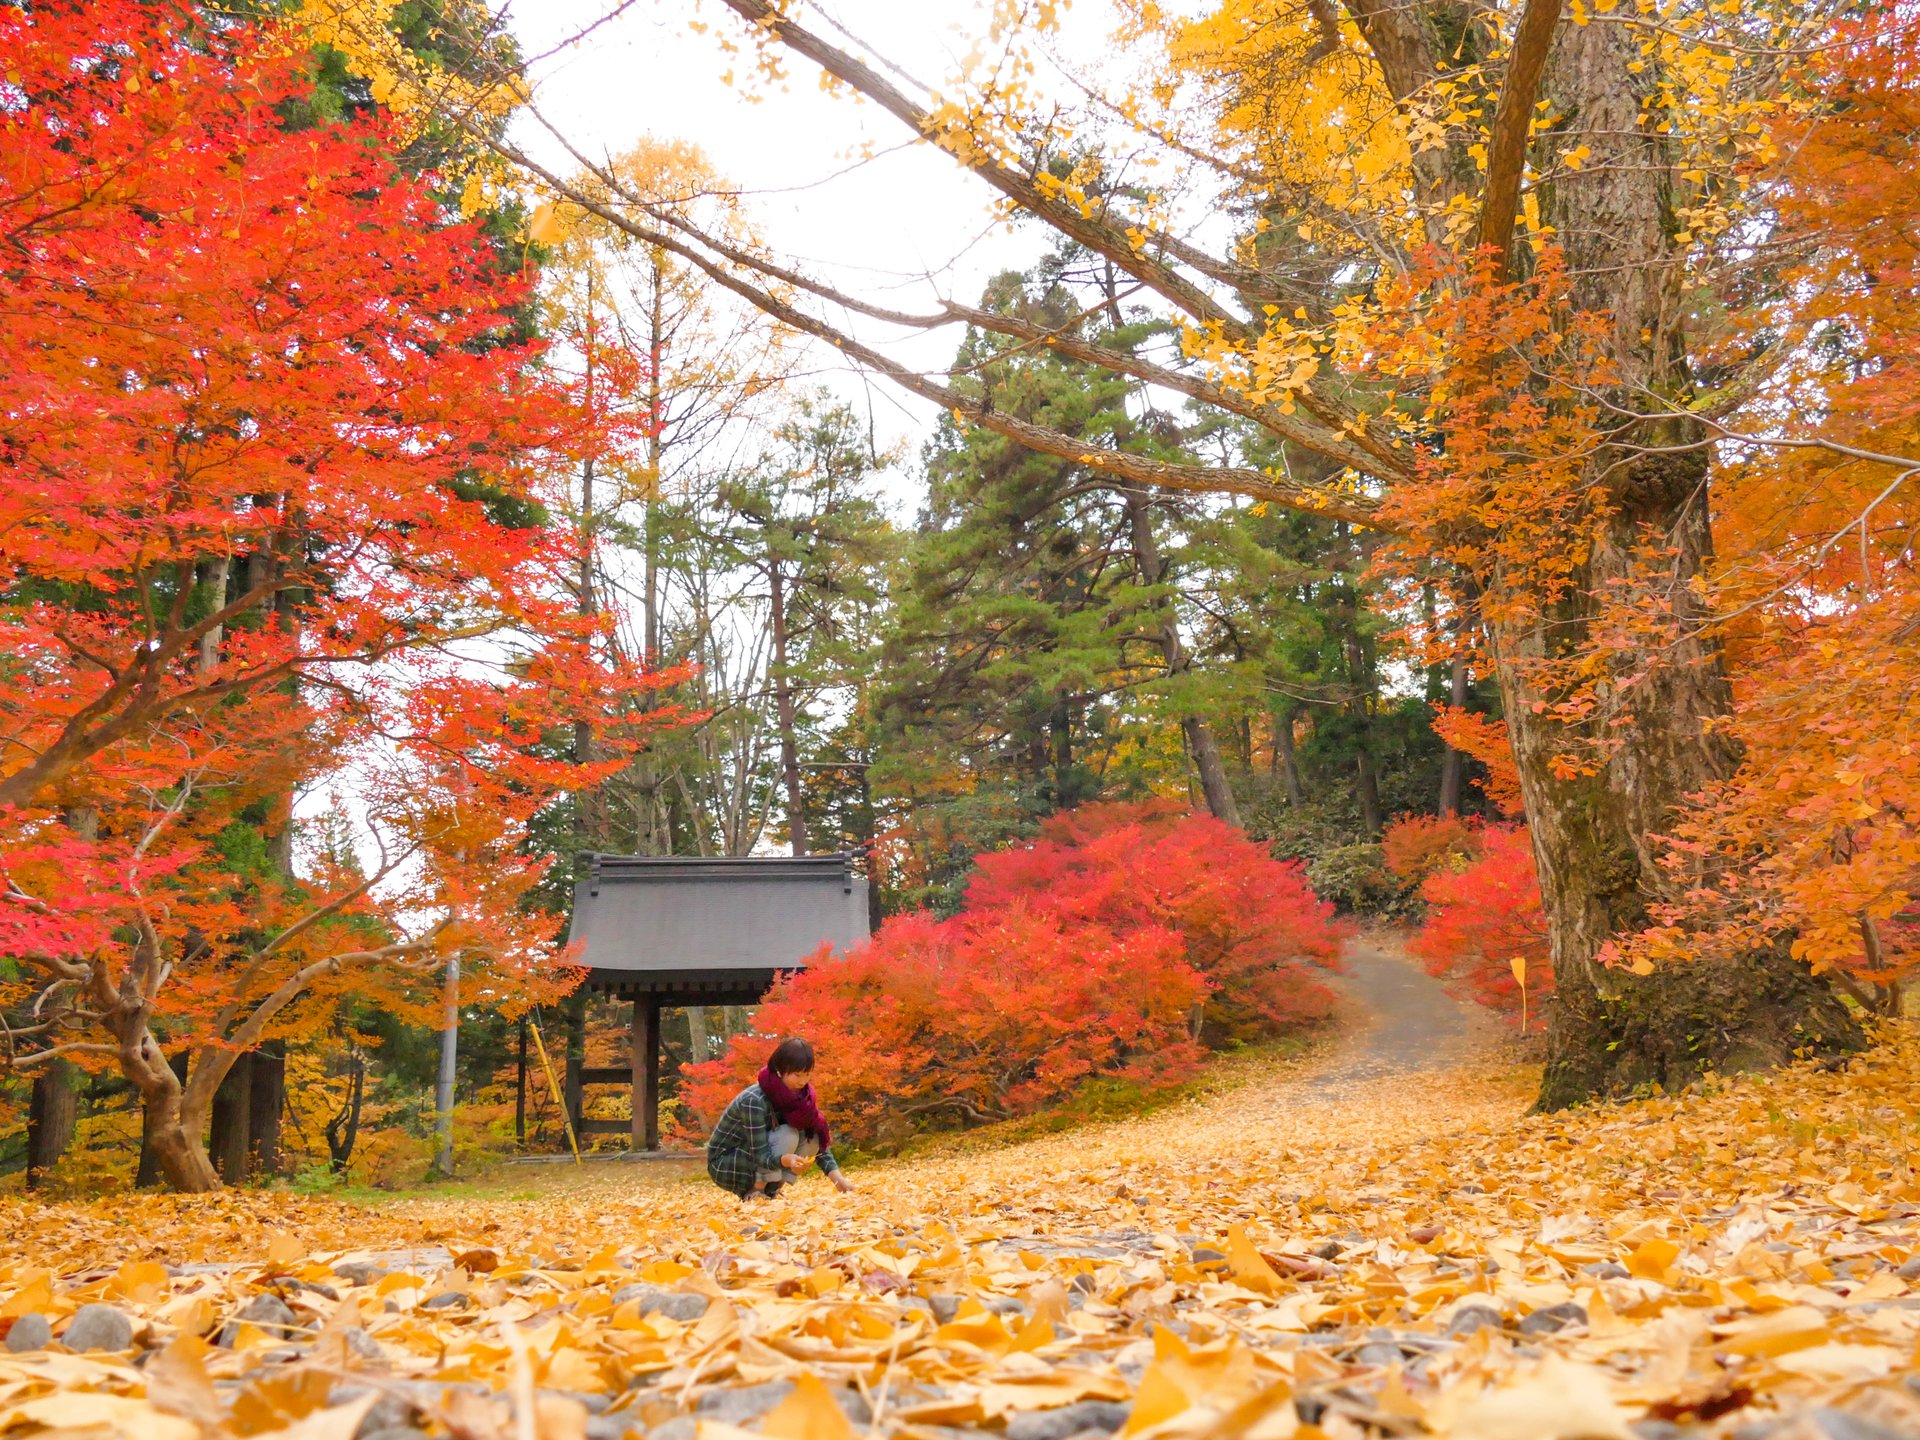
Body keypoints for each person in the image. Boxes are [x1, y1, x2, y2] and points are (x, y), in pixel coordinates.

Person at [705, 1036, 855, 1199]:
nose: (803, 1081)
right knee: (788, 1135)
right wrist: (785, 1160)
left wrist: (837, 1179)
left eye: (807, 1075)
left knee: (811, 1136)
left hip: (759, 1157)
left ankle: (772, 1191)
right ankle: (757, 1192)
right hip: (727, 1162)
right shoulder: (754, 1099)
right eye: (797, 1075)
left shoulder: (802, 1098)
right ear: (779, 1070)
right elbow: (760, 1154)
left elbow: (819, 1142)